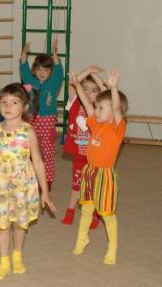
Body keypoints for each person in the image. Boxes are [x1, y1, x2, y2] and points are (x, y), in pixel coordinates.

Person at [0, 83, 55, 281]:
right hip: (0, 185)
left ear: (24, 107)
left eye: (14, 102)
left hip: (23, 186)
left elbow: (39, 162)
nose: (8, 106)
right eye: (4, 101)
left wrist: (45, 191)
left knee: (19, 224)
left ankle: (17, 255)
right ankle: (3, 261)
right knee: (2, 225)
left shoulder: (28, 131)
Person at [70, 70, 128, 265]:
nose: (96, 110)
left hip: (105, 175)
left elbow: (117, 109)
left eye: (101, 108)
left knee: (106, 214)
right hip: (90, 172)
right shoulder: (96, 123)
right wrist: (77, 84)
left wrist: (113, 88)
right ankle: (81, 239)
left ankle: (113, 247)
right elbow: (86, 103)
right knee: (86, 209)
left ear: (113, 111)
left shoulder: (116, 128)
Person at [61, 66, 107, 227]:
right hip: (80, 154)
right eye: (85, 89)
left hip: (96, 155)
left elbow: (107, 91)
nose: (88, 93)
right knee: (77, 184)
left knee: (94, 185)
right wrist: (87, 71)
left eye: (93, 90)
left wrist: (95, 76)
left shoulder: (101, 109)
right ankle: (70, 210)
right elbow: (73, 84)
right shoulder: (74, 102)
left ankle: (95, 214)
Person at [19, 40, 64, 190]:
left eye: (46, 70)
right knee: (30, 149)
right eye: (39, 69)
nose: (42, 73)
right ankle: (30, 176)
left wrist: (55, 54)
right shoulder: (30, 82)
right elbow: (23, 68)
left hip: (47, 120)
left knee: (47, 150)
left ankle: (48, 179)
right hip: (31, 119)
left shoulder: (54, 82)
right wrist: (24, 53)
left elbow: (59, 69)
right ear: (35, 70)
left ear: (50, 72)